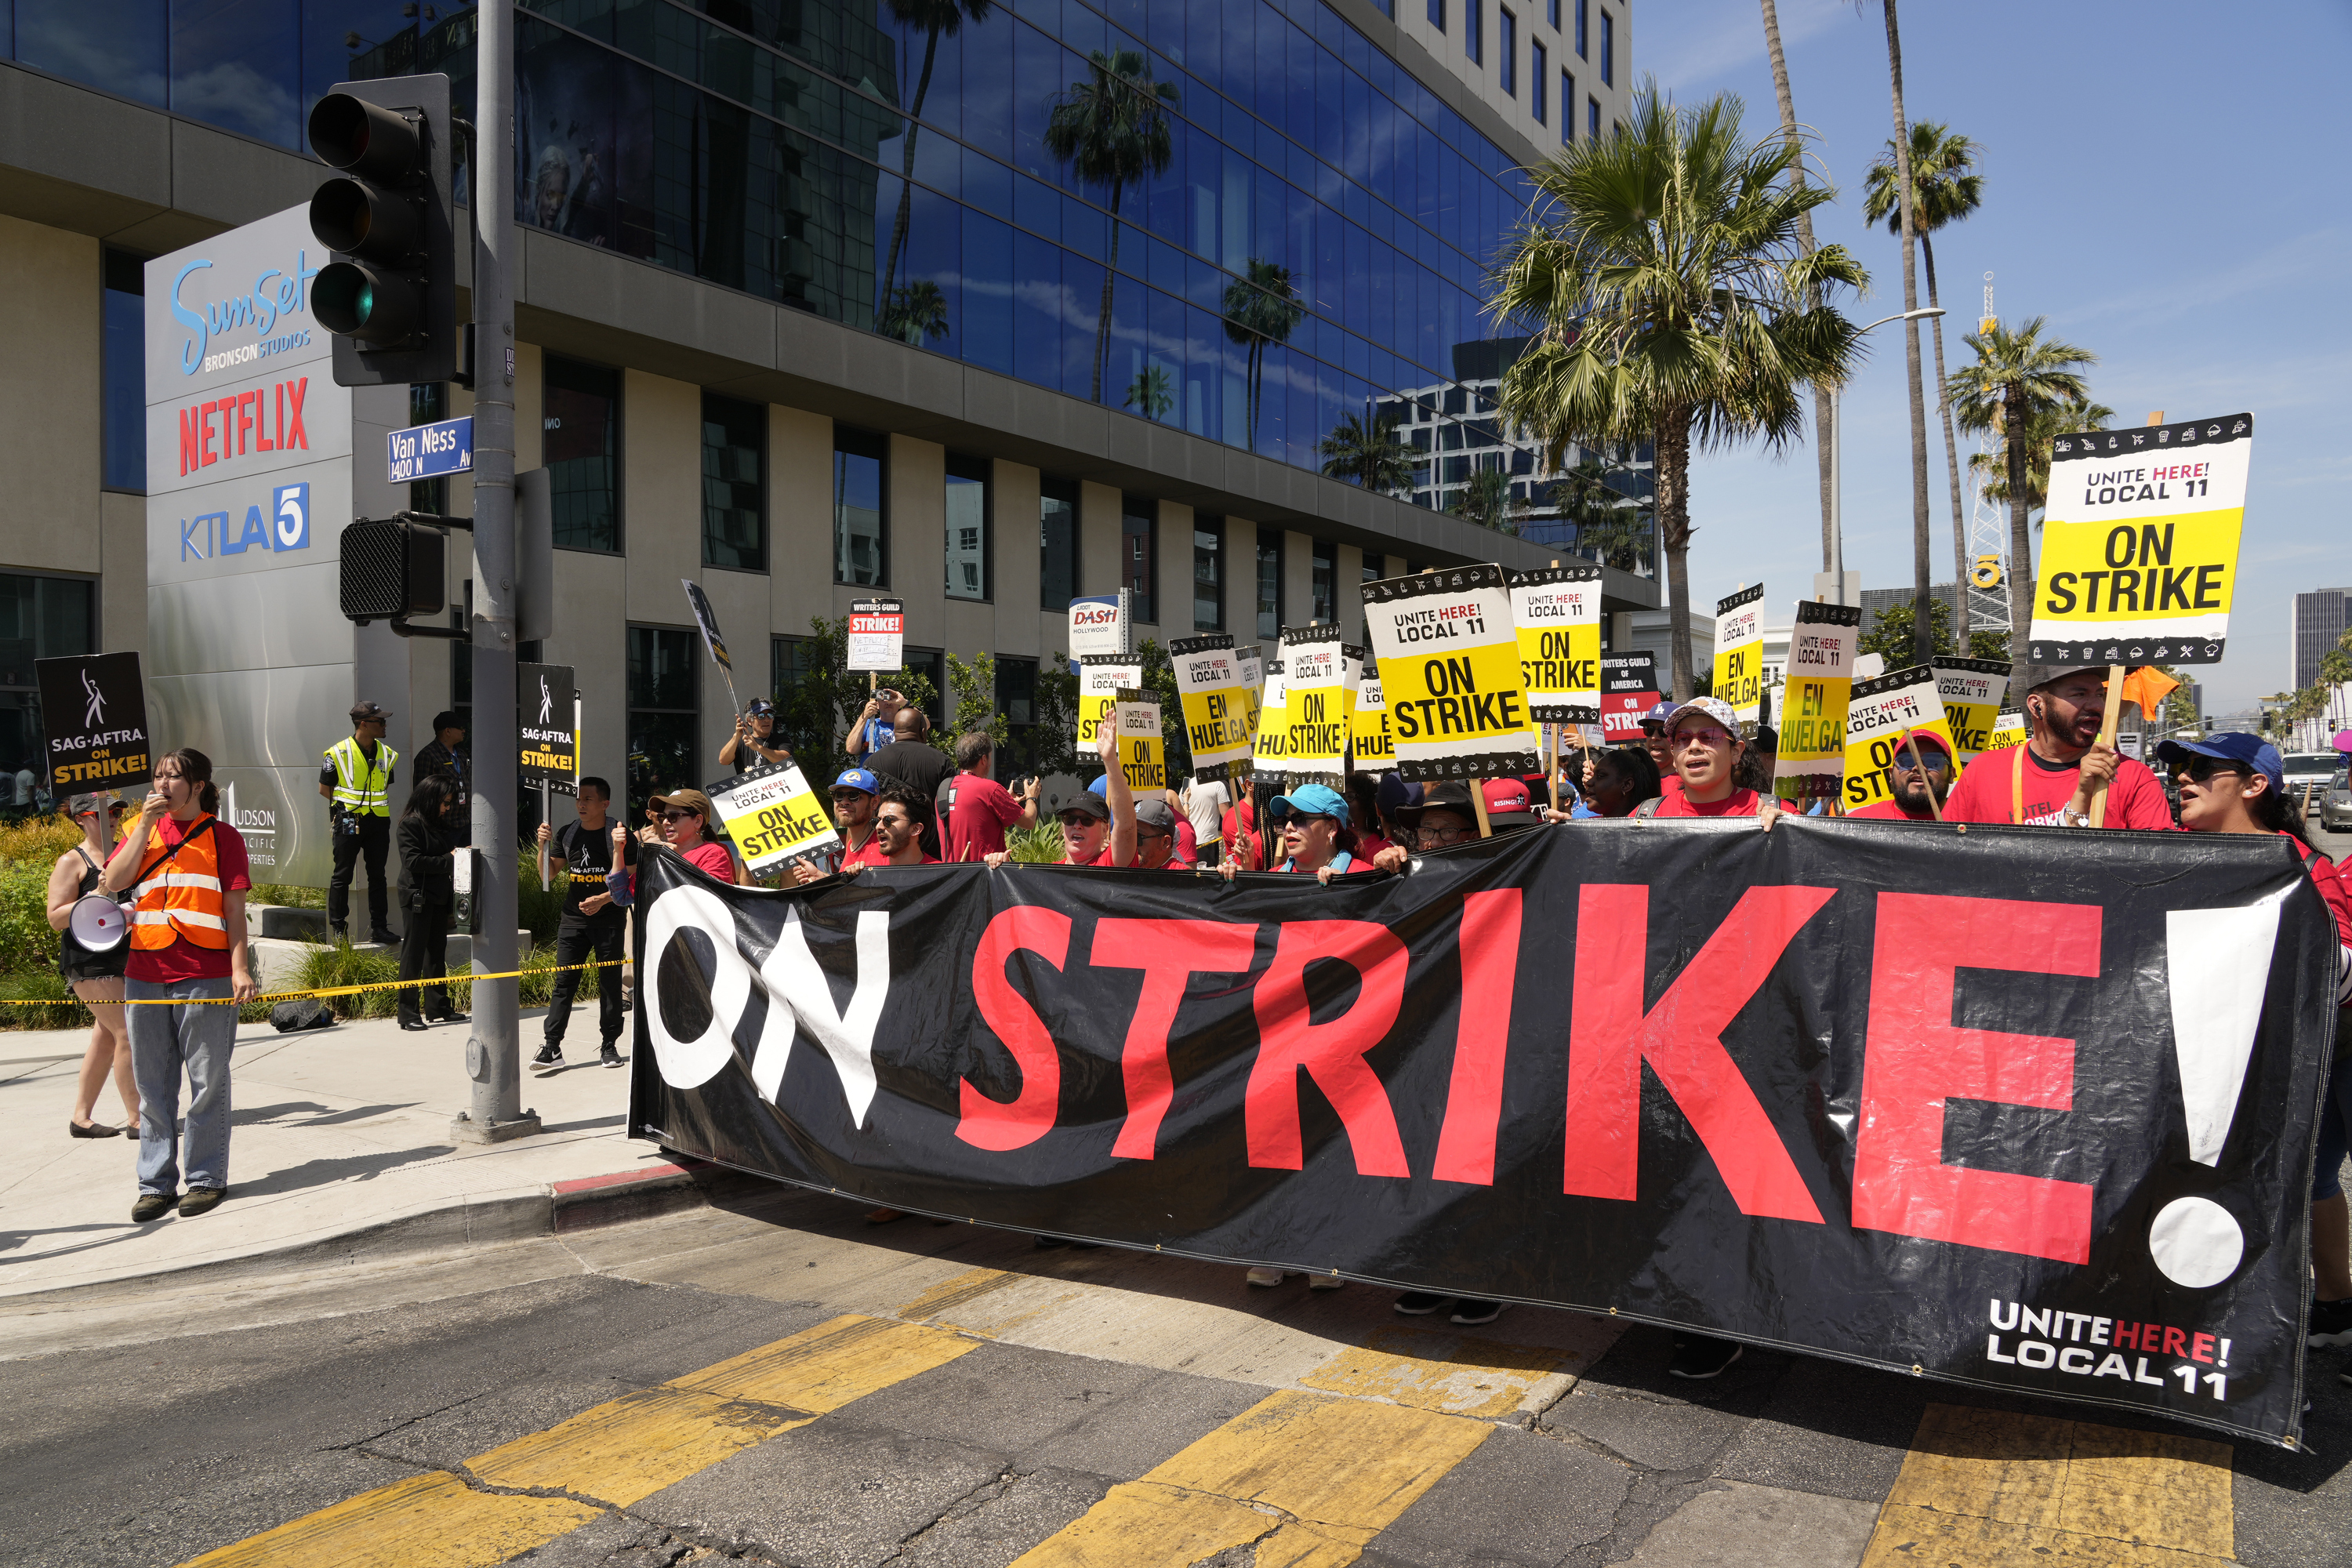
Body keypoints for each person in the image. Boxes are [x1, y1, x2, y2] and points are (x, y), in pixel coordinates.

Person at [2158, 734, 2352, 1352]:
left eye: (2202, 770)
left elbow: (2342, 975)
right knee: (2287, 1182)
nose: (2183, 779)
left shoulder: (2307, 869)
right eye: (2180, 769)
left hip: (2329, 1055)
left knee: (2308, 1177)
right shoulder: (2167, 859)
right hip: (2222, 1065)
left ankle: (2335, 1307)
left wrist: (2291, 928)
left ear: (2254, 785)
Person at [100, 748, 257, 1222]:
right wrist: (144, 827)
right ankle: (155, 1183)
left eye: (175, 777)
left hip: (205, 972)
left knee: (208, 1081)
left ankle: (206, 1178)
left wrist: (240, 968)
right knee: (153, 1085)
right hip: (145, 972)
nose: (163, 785)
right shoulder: (136, 831)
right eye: (159, 776)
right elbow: (112, 882)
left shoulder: (223, 836)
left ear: (199, 786)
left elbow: (234, 913)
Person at [1943, 665, 2173, 829]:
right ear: (2037, 707)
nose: (2095, 705)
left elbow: (2159, 868)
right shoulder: (1984, 771)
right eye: (2079, 694)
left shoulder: (2134, 776)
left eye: (2100, 694)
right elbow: (1947, 856)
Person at [48, 792, 136, 1138]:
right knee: (126, 1031)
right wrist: (93, 897)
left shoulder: (127, 853)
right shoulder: (72, 861)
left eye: (116, 811)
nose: (112, 817)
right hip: (89, 959)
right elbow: (55, 917)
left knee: (106, 1036)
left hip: (126, 952)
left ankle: (81, 1118)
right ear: (82, 818)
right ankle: (138, 1118)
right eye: (102, 813)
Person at [532, 776, 632, 1074]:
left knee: (610, 984)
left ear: (605, 803)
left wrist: (602, 898)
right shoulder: (568, 833)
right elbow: (547, 876)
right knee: (564, 983)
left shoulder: (619, 835)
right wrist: (542, 847)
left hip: (609, 920)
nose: (581, 804)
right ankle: (552, 1046)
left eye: (588, 799)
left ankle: (609, 1045)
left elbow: (630, 881)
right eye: (579, 799)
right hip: (573, 920)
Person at [321, 701, 400, 942]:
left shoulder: (387, 754)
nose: (385, 725)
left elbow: (384, 785)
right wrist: (345, 807)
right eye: (380, 721)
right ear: (364, 724)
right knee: (342, 873)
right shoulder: (338, 753)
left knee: (378, 875)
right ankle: (338, 927)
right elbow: (325, 789)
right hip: (348, 818)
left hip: (378, 821)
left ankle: (380, 928)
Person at [394, 775, 466, 1032]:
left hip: (437, 896)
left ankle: (438, 1008)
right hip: (417, 896)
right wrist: (450, 858)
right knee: (413, 954)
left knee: (436, 953)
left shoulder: (437, 824)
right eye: (444, 802)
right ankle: (407, 1013)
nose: (446, 808)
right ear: (430, 799)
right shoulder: (410, 824)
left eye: (448, 803)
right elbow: (413, 861)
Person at [939, 731, 1037, 862]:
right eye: (990, 757)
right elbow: (1029, 822)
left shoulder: (944, 788)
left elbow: (973, 814)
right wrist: (1032, 797)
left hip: (953, 876)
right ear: (984, 759)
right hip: (984, 874)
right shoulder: (990, 789)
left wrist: (1005, 799)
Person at [793, 769, 887, 884]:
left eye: (853, 796)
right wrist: (819, 877)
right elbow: (847, 890)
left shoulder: (884, 844)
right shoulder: (852, 842)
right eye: (839, 796)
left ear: (874, 802)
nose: (844, 802)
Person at [1844, 734, 1955, 821]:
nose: (1919, 768)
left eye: (1933, 761)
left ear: (1951, 774)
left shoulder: (1968, 823)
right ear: (1891, 774)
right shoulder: (1859, 823)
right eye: (1907, 761)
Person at [644, 788, 737, 883]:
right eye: (662, 817)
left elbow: (709, 893)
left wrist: (673, 862)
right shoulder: (662, 854)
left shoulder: (713, 854)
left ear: (697, 821)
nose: (665, 822)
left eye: (673, 816)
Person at [866, 706, 953, 801]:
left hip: (885, 816)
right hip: (926, 816)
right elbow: (950, 800)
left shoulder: (871, 762)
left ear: (894, 732)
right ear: (923, 732)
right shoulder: (940, 761)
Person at [1581, 747, 1663, 819]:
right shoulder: (1584, 828)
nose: (1589, 782)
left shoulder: (1652, 830)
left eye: (1600, 776)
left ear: (1627, 785)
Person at [871, 789, 942, 867]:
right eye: (877, 820)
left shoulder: (941, 874)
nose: (878, 827)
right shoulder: (868, 872)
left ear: (916, 829)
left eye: (889, 820)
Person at [720, 698, 792, 774]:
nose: (767, 720)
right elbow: (724, 761)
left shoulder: (782, 740)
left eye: (770, 715)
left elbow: (786, 761)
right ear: (750, 721)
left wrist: (758, 747)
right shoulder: (742, 742)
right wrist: (736, 736)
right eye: (761, 716)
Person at [411, 711, 468, 805]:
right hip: (442, 819)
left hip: (464, 818)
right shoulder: (428, 755)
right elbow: (421, 795)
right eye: (461, 728)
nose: (464, 731)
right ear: (448, 731)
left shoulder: (462, 755)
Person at [844, 686, 906, 760]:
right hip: (870, 770)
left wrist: (906, 703)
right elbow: (851, 749)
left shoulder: (905, 725)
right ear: (877, 704)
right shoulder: (868, 723)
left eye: (891, 699)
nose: (888, 702)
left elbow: (924, 729)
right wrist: (865, 716)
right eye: (883, 699)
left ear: (899, 705)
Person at [1185, 774, 1229, 868]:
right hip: (1208, 841)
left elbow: (1183, 813)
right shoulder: (1218, 785)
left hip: (1189, 841)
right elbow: (1226, 817)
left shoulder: (1187, 784)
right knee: (1210, 878)